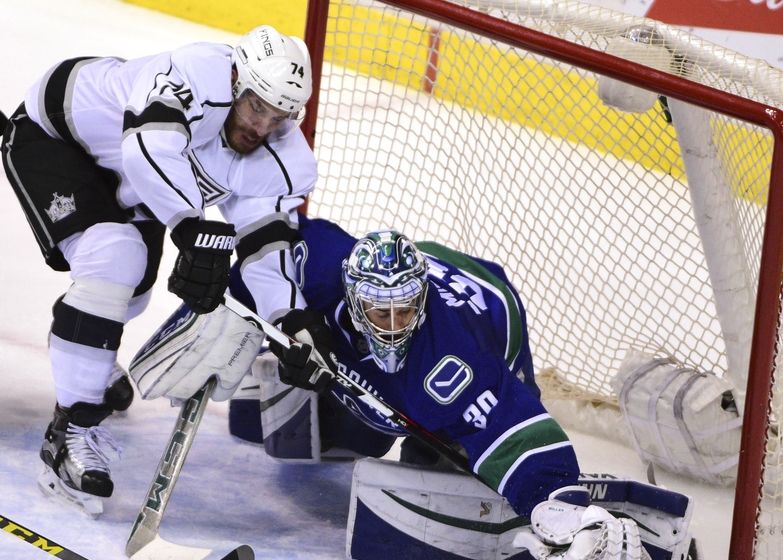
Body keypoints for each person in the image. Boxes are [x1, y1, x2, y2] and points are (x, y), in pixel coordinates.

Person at [0, 24, 317, 510]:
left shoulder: (280, 150)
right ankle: (72, 432)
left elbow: (264, 241)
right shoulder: (191, 74)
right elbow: (147, 147)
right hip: (56, 138)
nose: (262, 126)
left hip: (128, 183)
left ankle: (84, 354)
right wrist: (192, 230)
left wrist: (292, 322)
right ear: (236, 79)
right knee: (115, 256)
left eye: (280, 115)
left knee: (131, 291)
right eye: (257, 105)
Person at [229, 215, 581, 517]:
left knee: (445, 450)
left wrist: (556, 502)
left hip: (491, 304)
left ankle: (440, 441)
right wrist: (222, 314)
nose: (395, 325)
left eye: (406, 310)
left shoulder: (453, 357)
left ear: (421, 300)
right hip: (421, 279)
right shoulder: (320, 268)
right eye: (381, 312)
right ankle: (327, 411)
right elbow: (263, 251)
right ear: (353, 301)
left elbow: (514, 428)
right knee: (364, 436)